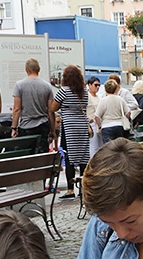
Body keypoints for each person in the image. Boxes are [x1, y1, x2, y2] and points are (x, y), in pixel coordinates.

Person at [49, 64, 90, 200]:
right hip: (82, 126)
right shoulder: (84, 92)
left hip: (69, 126)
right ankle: (84, 189)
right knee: (84, 157)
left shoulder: (63, 91)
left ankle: (70, 189)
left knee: (69, 157)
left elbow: (53, 108)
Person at [11, 58, 55, 153]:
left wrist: (14, 127)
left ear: (26, 70)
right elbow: (51, 110)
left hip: (26, 126)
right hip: (43, 125)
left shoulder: (19, 85)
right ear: (38, 69)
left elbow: (17, 109)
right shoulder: (47, 86)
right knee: (41, 156)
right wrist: (52, 130)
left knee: (26, 156)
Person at [95, 79, 130, 144]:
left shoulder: (103, 100)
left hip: (107, 126)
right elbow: (128, 113)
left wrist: (100, 126)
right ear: (116, 88)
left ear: (105, 89)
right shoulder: (120, 99)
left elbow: (97, 116)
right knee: (119, 147)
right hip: (119, 126)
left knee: (109, 148)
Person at [86, 76, 102, 156]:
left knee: (100, 146)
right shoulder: (87, 96)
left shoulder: (99, 97)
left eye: (99, 85)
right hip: (92, 124)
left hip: (99, 123)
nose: (98, 87)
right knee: (93, 146)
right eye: (96, 85)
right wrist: (89, 120)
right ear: (89, 85)